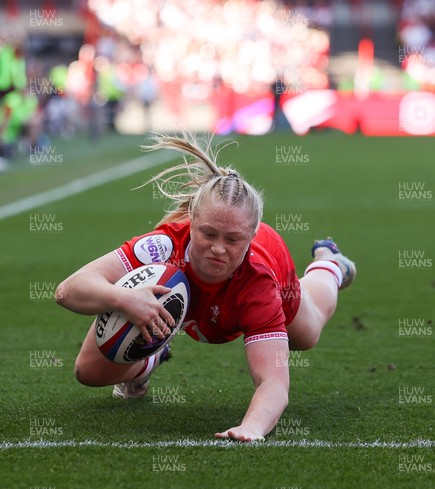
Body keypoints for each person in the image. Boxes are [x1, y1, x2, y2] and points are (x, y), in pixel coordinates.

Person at [55, 132, 356, 442]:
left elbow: (274, 384)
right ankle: (150, 361)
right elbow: (68, 290)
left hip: (272, 273)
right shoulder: (162, 247)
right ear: (192, 221)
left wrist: (252, 427)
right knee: (88, 372)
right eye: (208, 234)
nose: (218, 249)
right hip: (165, 303)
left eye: (233, 239)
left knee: (308, 334)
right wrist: (125, 299)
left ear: (252, 236)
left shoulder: (259, 284)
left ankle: (330, 263)